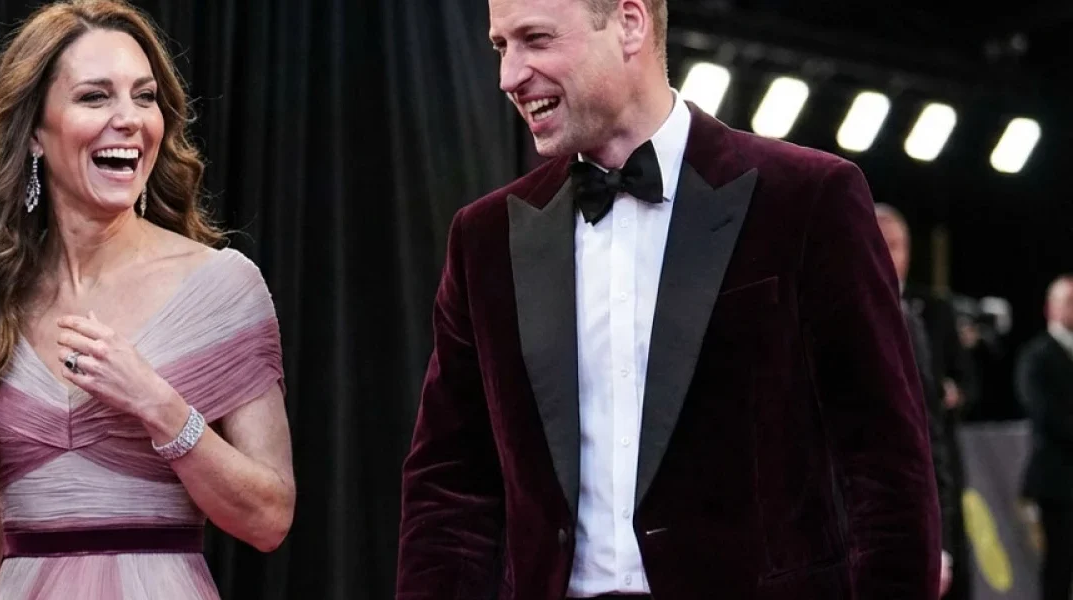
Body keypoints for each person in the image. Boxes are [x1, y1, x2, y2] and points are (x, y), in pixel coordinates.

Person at [395, 0, 940, 598]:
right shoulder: (485, 238)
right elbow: (450, 486)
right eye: (502, 46)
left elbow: (887, 470)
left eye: (536, 39)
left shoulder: (808, 200)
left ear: (630, 23)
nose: (509, 75)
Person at [0, 2, 294, 598]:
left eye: (145, 96)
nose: (128, 119)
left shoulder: (223, 288)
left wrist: (160, 408)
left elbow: (269, 518)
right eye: (95, 97)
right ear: (33, 132)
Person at [876, 203, 971, 599]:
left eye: (897, 245)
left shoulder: (917, 318)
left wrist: (942, 541)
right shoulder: (814, 309)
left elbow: (930, 436)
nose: (890, 256)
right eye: (883, 244)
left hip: (905, 508)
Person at [1017, 275, 1073, 600]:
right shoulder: (1035, 357)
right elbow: (1046, 415)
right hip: (1056, 483)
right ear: (1049, 307)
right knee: (1058, 568)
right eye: (1067, 301)